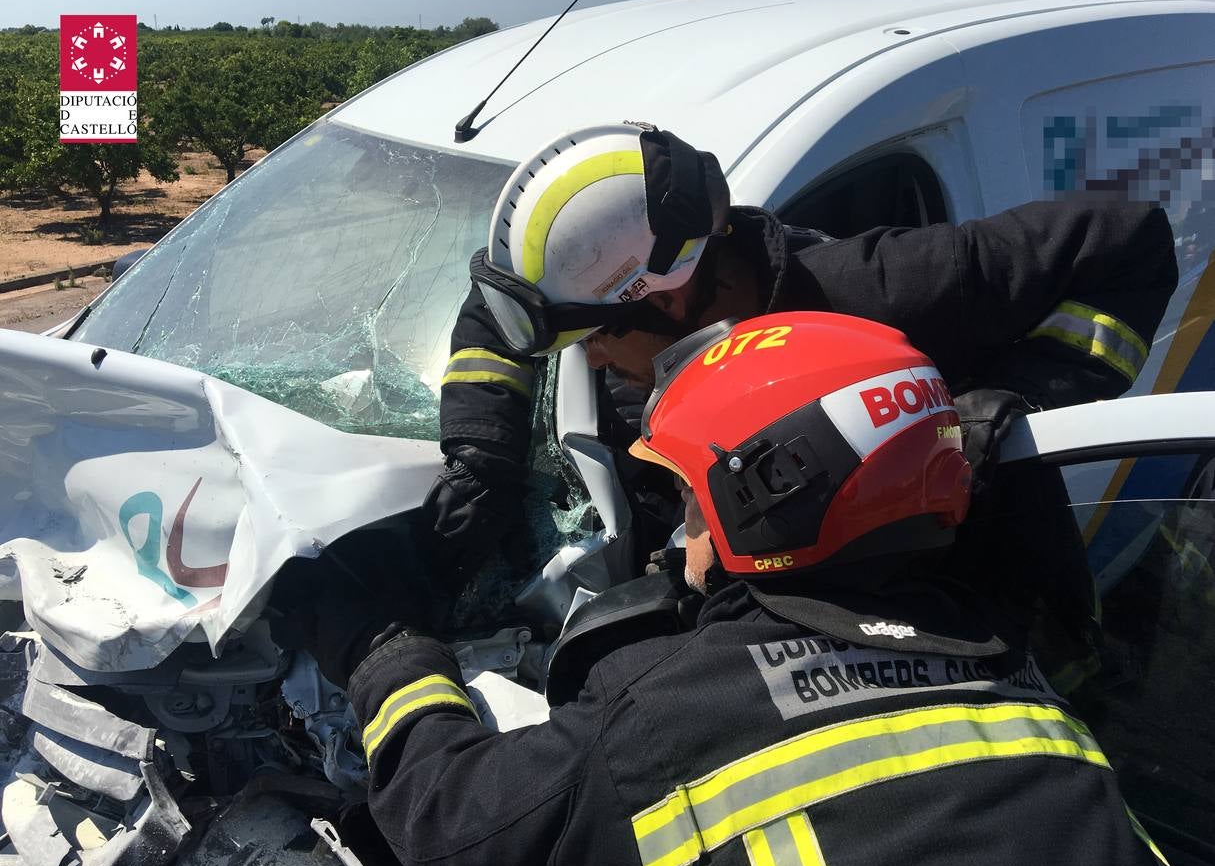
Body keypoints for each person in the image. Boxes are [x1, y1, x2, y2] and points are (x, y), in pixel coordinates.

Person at [341, 313, 1180, 866]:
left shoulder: (664, 713)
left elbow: (447, 818)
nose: (680, 532)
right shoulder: (1008, 657)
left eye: (689, 499)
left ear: (762, 502)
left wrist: (388, 655)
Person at [429, 121, 1178, 592]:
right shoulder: (633, 311)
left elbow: (1129, 240)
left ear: (662, 298)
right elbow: (504, 309)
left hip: (965, 599)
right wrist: (481, 459)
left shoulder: (880, 290)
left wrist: (1001, 414)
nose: (589, 364)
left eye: (595, 340)